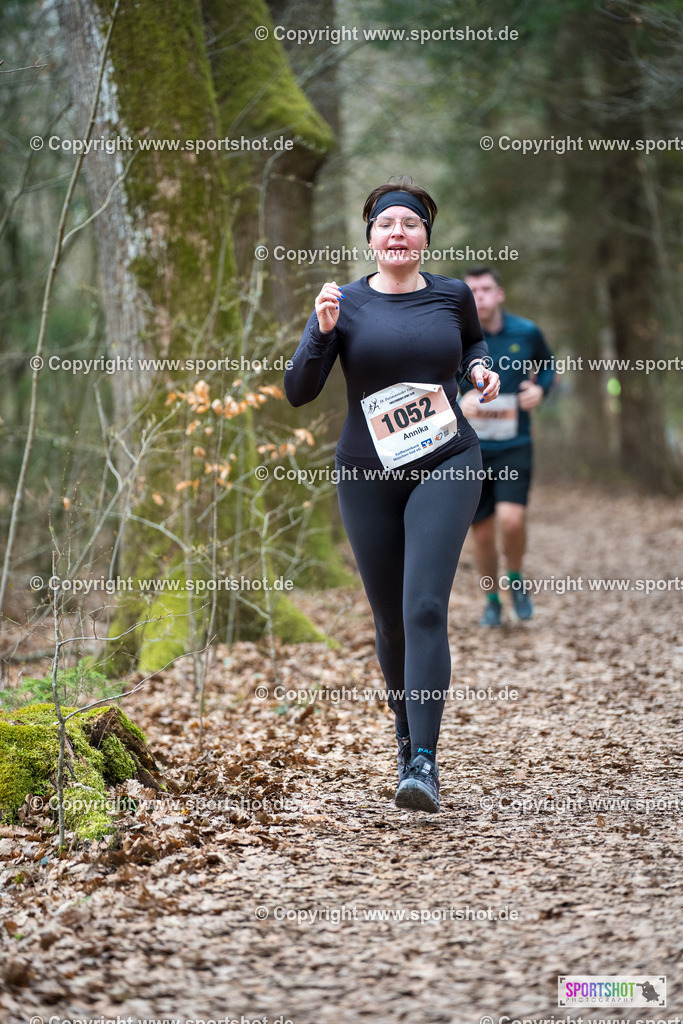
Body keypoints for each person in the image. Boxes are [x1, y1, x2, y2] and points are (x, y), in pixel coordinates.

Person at [284, 177, 500, 813]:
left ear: (425, 237)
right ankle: (406, 739)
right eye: (387, 225)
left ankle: (426, 764)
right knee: (390, 619)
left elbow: (472, 346)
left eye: (410, 224)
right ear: (371, 237)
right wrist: (320, 331)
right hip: (366, 471)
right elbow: (298, 390)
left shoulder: (453, 295)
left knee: (426, 606)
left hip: (448, 460)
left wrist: (481, 370)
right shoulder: (341, 303)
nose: (398, 233)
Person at [459, 267, 555, 626]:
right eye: (473, 291)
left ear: (499, 294)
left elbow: (547, 365)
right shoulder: (457, 335)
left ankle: (515, 578)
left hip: (516, 442)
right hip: (471, 447)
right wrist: (458, 398)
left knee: (512, 522)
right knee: (482, 533)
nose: (480, 296)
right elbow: (437, 379)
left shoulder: (526, 331)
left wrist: (541, 389)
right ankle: (490, 599)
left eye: (486, 289)